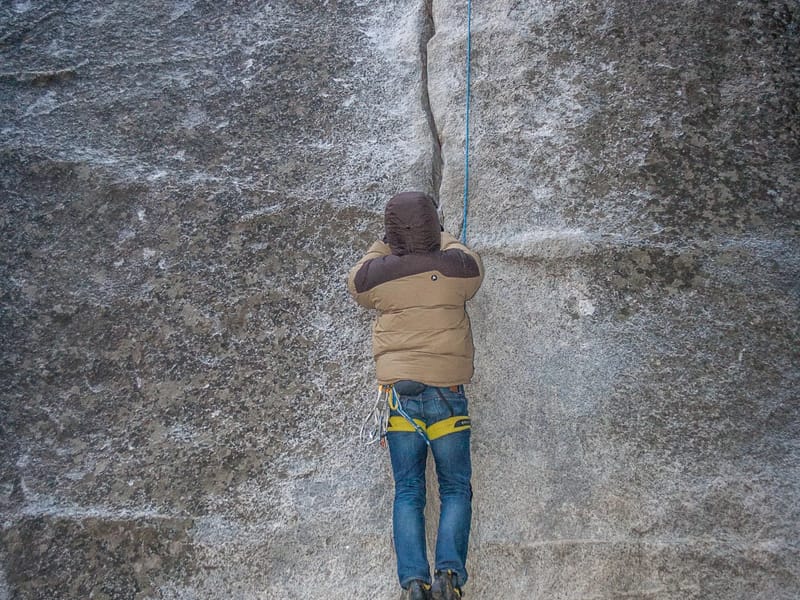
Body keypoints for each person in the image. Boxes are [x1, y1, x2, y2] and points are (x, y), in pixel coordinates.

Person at [347, 191, 484, 600]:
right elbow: (473, 264)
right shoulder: (454, 267)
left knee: (408, 490)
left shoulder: (380, 275)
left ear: (391, 231)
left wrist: (385, 244)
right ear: (433, 225)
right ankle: (448, 577)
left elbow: (357, 278)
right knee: (455, 487)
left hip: (399, 398)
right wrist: (443, 237)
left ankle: (413, 583)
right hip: (447, 393)